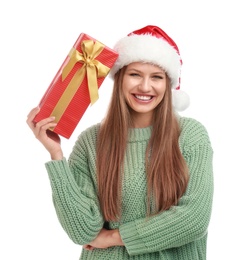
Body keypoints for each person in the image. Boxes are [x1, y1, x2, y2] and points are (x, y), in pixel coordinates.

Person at [26, 25, 214, 260]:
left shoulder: (189, 135)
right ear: (120, 79)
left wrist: (113, 237)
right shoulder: (91, 142)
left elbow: (193, 219)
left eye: (156, 77)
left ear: (168, 85)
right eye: (135, 74)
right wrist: (55, 154)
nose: (145, 87)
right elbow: (82, 230)